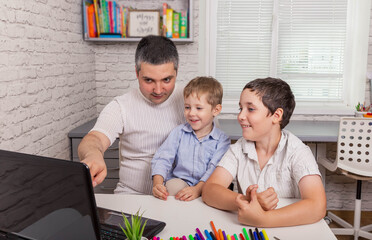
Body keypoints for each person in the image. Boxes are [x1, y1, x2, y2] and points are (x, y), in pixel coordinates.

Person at [202, 77, 326, 227]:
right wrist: (248, 201)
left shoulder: (297, 152)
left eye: (251, 109)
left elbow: (317, 206)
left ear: (276, 115)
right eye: (240, 108)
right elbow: (209, 190)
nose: (240, 116)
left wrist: (262, 219)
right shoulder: (238, 149)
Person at [78, 35, 185, 195]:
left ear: (176, 72)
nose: (158, 89)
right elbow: (94, 139)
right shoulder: (121, 106)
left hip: (179, 198)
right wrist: (93, 154)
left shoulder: (193, 100)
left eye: (166, 80)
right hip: (132, 195)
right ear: (136, 73)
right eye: (148, 80)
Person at [151, 77, 231, 201]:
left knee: (216, 193)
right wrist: (157, 183)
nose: (191, 113)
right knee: (173, 186)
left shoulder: (222, 140)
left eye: (198, 108)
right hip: (181, 185)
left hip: (207, 186)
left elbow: (214, 168)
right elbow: (163, 158)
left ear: (216, 110)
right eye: (187, 107)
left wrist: (198, 189)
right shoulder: (179, 132)